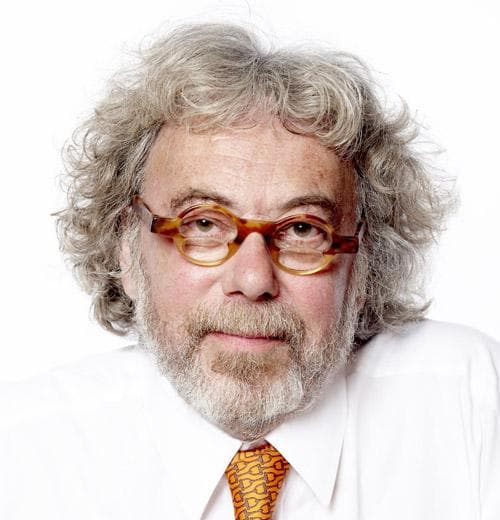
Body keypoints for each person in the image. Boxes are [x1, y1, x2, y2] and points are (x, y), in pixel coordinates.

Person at [1, 22, 499, 520]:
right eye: (203, 224)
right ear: (127, 250)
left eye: (302, 229)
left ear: (362, 264)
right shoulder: (22, 455)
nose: (254, 280)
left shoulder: (470, 402)